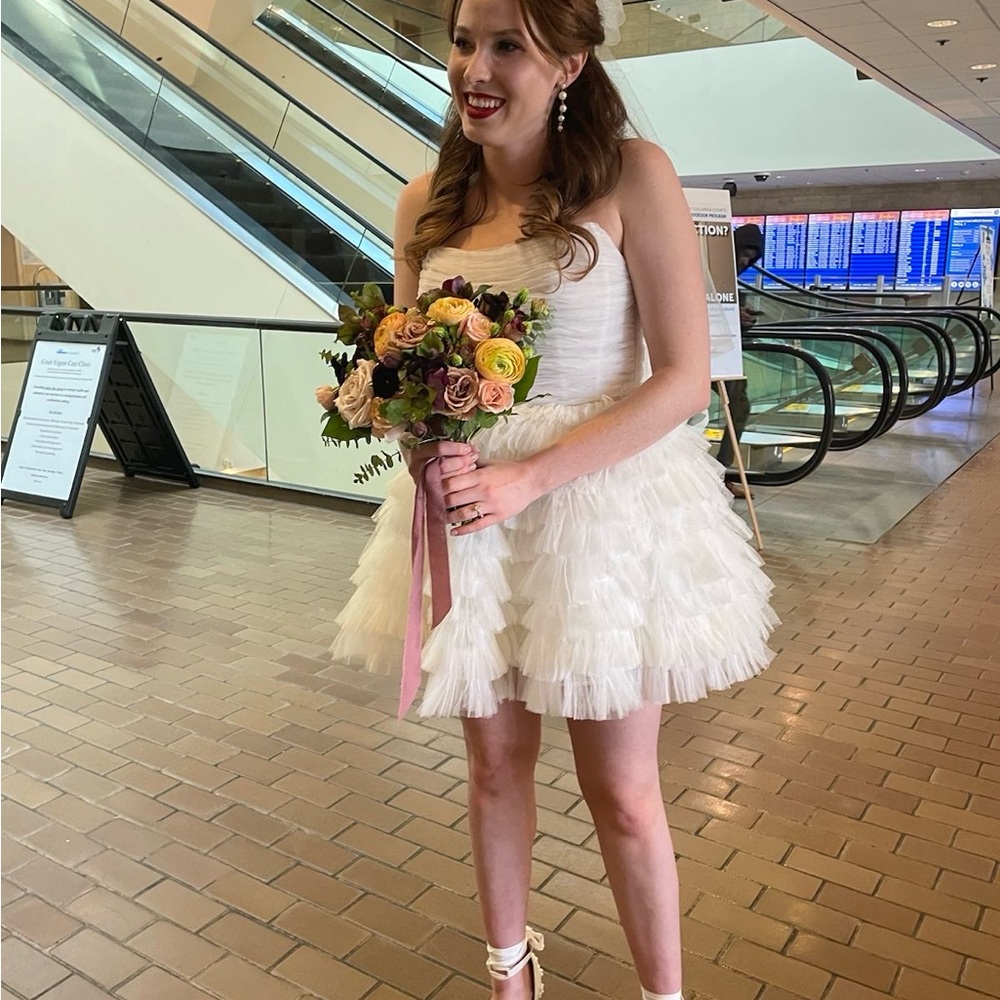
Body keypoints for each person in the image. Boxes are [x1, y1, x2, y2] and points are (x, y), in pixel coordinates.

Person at [331, 1, 777, 997]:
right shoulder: (424, 203)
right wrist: (414, 440)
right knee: (492, 768)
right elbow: (408, 365)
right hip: (467, 517)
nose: (472, 70)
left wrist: (529, 473)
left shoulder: (633, 176)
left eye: (505, 47)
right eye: (459, 42)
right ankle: (509, 974)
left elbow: (681, 379)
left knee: (620, 789)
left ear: (570, 60)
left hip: (597, 506)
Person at [716, 223, 763, 496]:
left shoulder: (731, 279)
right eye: (741, 255)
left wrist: (740, 315)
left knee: (739, 406)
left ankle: (720, 474)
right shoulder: (710, 269)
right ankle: (717, 475)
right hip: (700, 355)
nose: (744, 262)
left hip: (722, 355)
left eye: (750, 258)